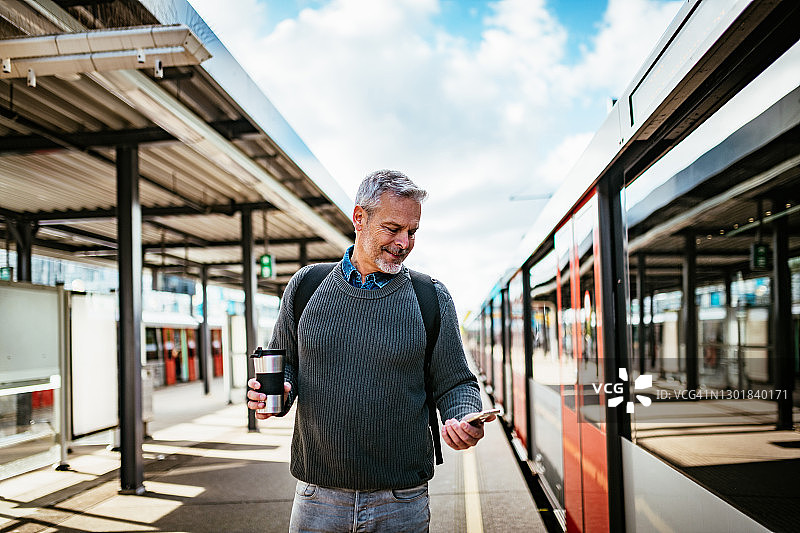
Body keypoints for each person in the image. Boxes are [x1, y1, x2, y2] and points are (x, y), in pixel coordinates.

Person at [247, 169, 493, 532]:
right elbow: (285, 366)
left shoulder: (430, 296)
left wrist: (464, 416)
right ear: (359, 218)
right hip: (317, 497)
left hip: (401, 501)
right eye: (393, 229)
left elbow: (457, 382)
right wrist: (277, 393)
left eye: (412, 232)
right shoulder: (306, 286)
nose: (404, 243)